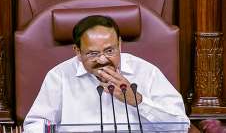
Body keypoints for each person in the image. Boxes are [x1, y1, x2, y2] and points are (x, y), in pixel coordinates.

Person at [23, 15, 190, 132]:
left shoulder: (146, 72)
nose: (103, 60)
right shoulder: (59, 76)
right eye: (93, 54)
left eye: (110, 50)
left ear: (120, 44)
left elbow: (180, 126)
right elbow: (37, 123)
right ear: (78, 52)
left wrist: (137, 100)